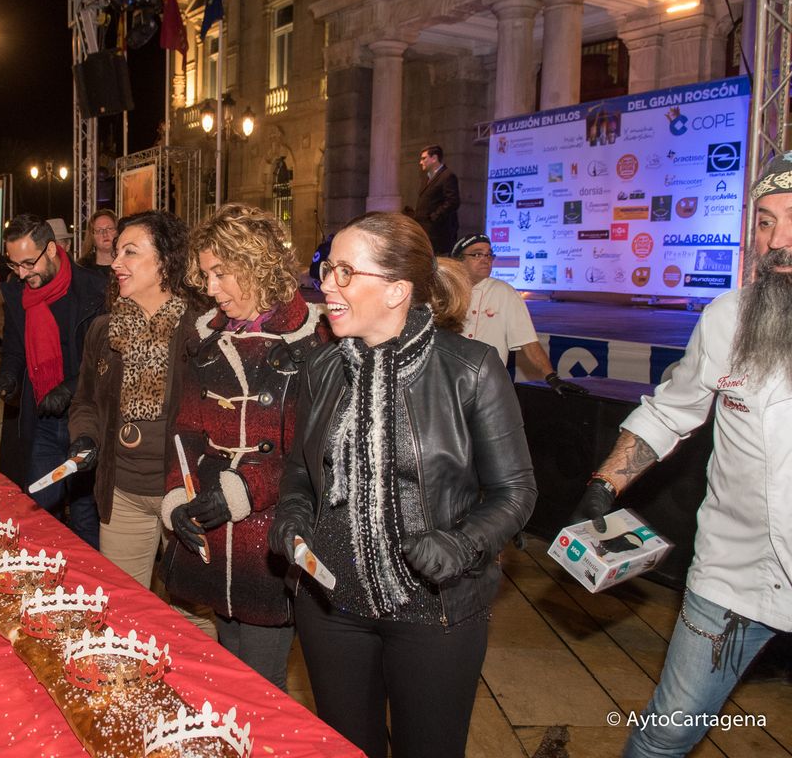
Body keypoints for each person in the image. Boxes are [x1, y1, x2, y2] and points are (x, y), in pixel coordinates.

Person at [269, 211, 536, 758]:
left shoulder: (473, 369)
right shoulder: (321, 369)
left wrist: (462, 544)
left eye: (345, 272)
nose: (326, 285)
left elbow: (516, 491)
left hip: (434, 610)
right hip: (330, 607)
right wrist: (293, 516)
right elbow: (300, 471)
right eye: (326, 269)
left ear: (396, 291)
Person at [569, 154, 792, 758]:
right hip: (731, 572)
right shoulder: (729, 318)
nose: (778, 242)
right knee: (666, 733)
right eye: (766, 223)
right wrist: (605, 484)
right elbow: (673, 411)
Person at [157, 203, 327, 690]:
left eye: (221, 274)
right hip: (213, 528)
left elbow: (307, 451)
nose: (210, 289)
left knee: (260, 683)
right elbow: (185, 429)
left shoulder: (313, 339)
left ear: (257, 264)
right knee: (226, 665)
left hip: (271, 532)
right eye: (206, 275)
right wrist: (179, 496)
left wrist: (238, 491)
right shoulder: (206, 337)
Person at [66, 210, 198, 584]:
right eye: (117, 252)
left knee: (192, 618)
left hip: (183, 492)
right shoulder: (102, 330)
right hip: (121, 490)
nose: (116, 262)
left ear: (166, 261)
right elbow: (85, 402)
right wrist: (85, 437)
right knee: (124, 606)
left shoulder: (199, 331)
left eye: (130, 252)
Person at [0, 214, 106, 546]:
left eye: (28, 263)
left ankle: (89, 590)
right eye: (14, 264)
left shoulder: (94, 289)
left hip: (86, 420)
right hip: (43, 420)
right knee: (38, 510)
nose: (21, 273)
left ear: (51, 249)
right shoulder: (19, 295)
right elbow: (15, 350)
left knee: (85, 515)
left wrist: (70, 387)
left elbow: (105, 360)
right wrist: (7, 379)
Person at [451, 234, 586, 395]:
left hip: (488, 385)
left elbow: (528, 342)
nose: (485, 259)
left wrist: (551, 377)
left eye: (488, 254)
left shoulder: (505, 292)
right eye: (477, 254)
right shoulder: (445, 292)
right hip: (450, 382)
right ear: (459, 261)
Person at [415, 145, 461, 256]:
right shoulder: (427, 178)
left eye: (424, 158)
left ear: (434, 158)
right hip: (426, 231)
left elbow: (453, 201)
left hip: (439, 234)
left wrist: (434, 217)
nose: (421, 162)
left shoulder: (447, 176)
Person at [78, 208, 117, 278]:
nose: (105, 234)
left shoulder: (128, 265)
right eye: (99, 230)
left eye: (110, 228)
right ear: (92, 237)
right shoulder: (81, 269)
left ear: (118, 232)